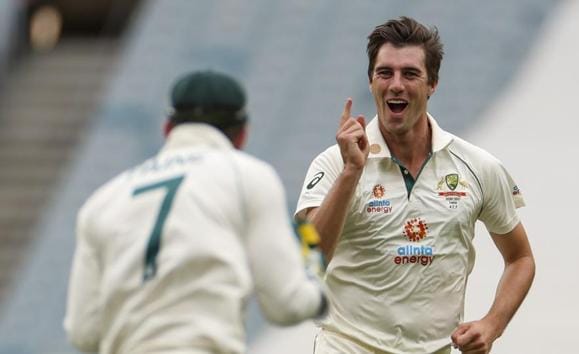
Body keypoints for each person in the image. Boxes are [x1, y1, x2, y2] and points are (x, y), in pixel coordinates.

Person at [296, 17, 535, 354]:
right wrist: (351, 172)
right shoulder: (334, 163)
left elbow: (520, 258)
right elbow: (308, 257)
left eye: (410, 74)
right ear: (370, 81)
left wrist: (492, 325)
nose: (396, 84)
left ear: (432, 83)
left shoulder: (477, 165)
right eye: (385, 73)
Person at [64, 69, 328, 354]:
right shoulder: (249, 176)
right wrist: (315, 267)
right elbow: (286, 306)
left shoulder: (102, 201)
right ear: (241, 135)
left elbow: (83, 333)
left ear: (167, 130)